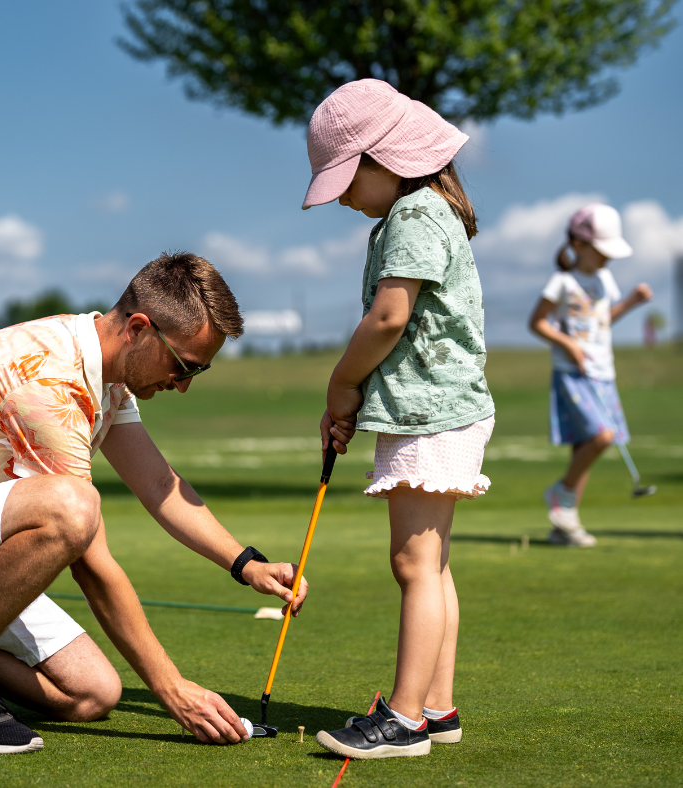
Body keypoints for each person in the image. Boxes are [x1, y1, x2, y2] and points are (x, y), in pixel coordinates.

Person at [0, 252, 309, 754]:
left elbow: (157, 484)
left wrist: (245, 563)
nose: (184, 384)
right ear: (139, 329)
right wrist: (172, 688)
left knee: (90, 693)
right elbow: (89, 561)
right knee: (73, 506)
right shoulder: (49, 379)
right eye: (183, 364)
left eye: (200, 370)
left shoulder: (106, 371)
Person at [298, 80, 495, 759]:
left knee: (413, 563)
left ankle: (405, 719)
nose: (345, 197)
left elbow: (389, 317)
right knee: (431, 564)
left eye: (350, 178)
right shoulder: (425, 209)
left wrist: (341, 382)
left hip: (430, 414)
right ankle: (436, 708)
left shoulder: (413, 214)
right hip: (440, 410)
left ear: (387, 159)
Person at [528, 204, 652, 547]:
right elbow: (537, 322)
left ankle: (564, 526)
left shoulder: (604, 279)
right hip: (573, 374)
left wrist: (631, 303)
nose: (607, 259)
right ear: (579, 245)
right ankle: (561, 491)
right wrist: (568, 344)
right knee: (602, 437)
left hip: (603, 374)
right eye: (601, 251)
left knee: (584, 448)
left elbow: (601, 322)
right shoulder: (562, 282)